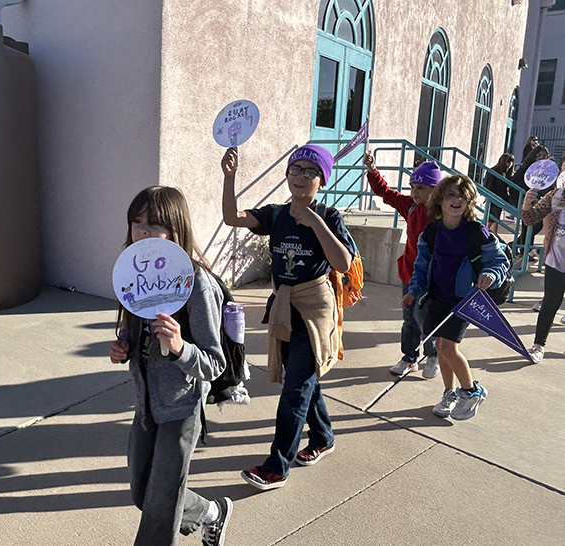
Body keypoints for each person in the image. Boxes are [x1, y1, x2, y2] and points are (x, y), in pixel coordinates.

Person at [222, 144, 353, 491]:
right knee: (302, 378)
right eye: (296, 169)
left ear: (322, 180)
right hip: (285, 307)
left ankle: (277, 467)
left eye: (311, 172)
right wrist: (229, 177)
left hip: (314, 310)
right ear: (287, 174)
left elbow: (342, 263)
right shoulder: (276, 214)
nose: (301, 176)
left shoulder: (329, 216)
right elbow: (233, 218)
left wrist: (316, 223)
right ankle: (323, 437)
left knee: (295, 389)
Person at [109, 186, 232, 546]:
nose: (144, 232)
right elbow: (136, 330)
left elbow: (214, 362)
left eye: (154, 225)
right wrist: (124, 347)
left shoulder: (197, 285)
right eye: (137, 223)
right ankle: (212, 513)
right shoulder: (134, 274)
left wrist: (179, 347)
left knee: (160, 508)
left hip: (181, 408)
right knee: (142, 492)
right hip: (146, 404)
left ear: (176, 230)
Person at [403, 175, 510, 420]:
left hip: (463, 300)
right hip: (437, 297)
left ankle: (471, 392)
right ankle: (449, 393)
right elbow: (421, 266)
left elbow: (499, 261)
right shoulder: (431, 232)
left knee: (448, 346)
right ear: (439, 199)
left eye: (463, 196)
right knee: (441, 347)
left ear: (470, 202)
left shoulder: (476, 232)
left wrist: (490, 274)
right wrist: (413, 291)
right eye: (451, 194)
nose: (457, 199)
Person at [363, 152, 440, 378]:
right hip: (409, 273)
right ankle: (409, 357)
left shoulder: (443, 213)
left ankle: (433, 355)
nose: (414, 192)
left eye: (421, 188)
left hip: (433, 277)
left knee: (426, 317)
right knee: (409, 318)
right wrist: (372, 170)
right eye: (412, 187)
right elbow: (385, 193)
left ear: (435, 190)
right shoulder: (410, 206)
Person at [521, 172, 565, 363]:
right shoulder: (555, 195)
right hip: (557, 260)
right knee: (550, 302)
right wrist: (527, 202)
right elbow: (530, 219)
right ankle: (538, 345)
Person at [483, 153, 515, 234]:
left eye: (511, 163)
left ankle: (493, 233)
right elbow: (489, 185)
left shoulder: (507, 172)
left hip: (500, 198)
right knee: (492, 218)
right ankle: (483, 232)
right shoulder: (494, 171)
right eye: (508, 162)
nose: (509, 165)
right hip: (494, 197)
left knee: (495, 218)